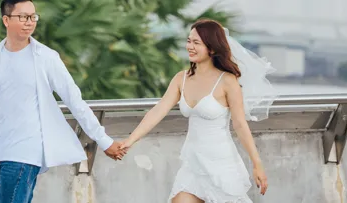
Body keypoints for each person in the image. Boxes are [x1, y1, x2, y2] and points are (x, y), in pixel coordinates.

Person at [0, 0, 128, 203]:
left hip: (26, 154)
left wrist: (104, 140)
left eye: (33, 17)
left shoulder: (46, 57)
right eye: (23, 17)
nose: (29, 22)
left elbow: (75, 101)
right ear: (6, 20)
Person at [117, 19, 276, 202]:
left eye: (196, 43)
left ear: (212, 48)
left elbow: (240, 124)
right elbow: (157, 111)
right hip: (192, 165)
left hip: (221, 166)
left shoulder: (227, 81)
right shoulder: (181, 79)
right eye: (189, 41)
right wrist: (130, 140)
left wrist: (257, 164)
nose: (190, 46)